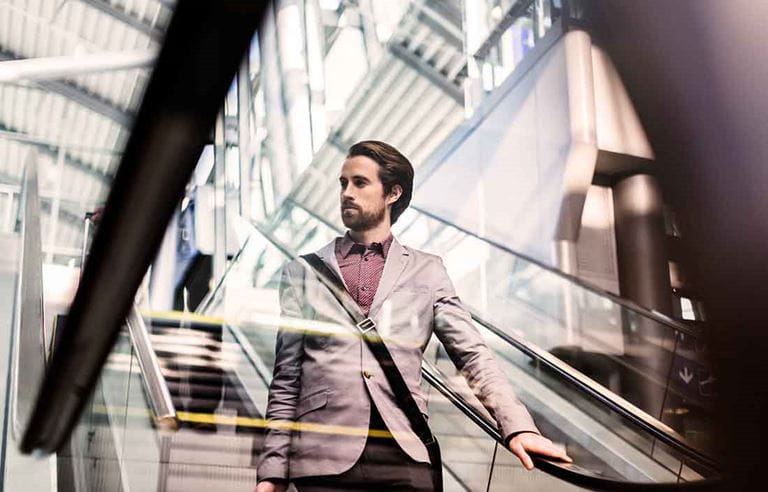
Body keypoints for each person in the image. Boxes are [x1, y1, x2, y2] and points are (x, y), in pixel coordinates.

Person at [256, 141, 570, 491]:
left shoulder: (428, 271)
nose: (346, 192)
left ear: (392, 193)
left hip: (404, 452)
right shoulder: (302, 272)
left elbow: (473, 354)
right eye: (343, 183)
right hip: (323, 459)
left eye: (360, 183)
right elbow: (286, 378)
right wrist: (272, 470)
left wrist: (518, 426)